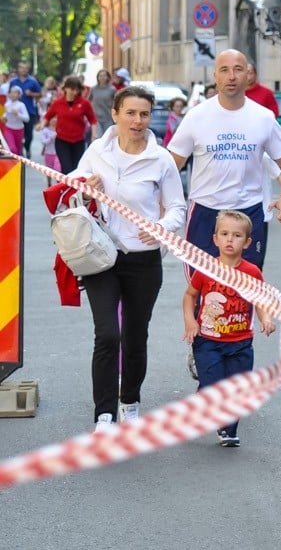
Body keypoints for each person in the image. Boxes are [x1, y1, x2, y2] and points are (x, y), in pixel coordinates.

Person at [70, 85, 187, 431]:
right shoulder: (96, 151)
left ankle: (129, 400)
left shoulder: (161, 159)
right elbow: (73, 185)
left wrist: (162, 227)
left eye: (144, 114)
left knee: (135, 336)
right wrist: (85, 185)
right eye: (131, 113)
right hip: (102, 256)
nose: (137, 121)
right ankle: (103, 412)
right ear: (116, 115)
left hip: (144, 261)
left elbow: (178, 207)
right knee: (107, 334)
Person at [166, 49, 281, 271]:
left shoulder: (263, 118)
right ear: (215, 76)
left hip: (248, 213)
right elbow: (171, 168)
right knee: (202, 290)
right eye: (224, 70)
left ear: (248, 75)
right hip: (205, 212)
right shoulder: (196, 116)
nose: (231, 77)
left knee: (247, 289)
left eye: (238, 70)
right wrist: (163, 208)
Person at [182, 210, 275, 447]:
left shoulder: (252, 272)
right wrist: (190, 321)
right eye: (224, 234)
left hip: (241, 341)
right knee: (214, 384)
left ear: (247, 242)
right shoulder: (205, 269)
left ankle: (228, 429)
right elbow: (190, 296)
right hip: (208, 340)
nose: (229, 240)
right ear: (215, 239)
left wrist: (265, 319)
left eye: (236, 235)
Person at [37, 75, 98, 174]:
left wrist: (93, 134)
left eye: (77, 90)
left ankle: (74, 189)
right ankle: (66, 188)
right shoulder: (58, 102)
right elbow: (48, 116)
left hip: (78, 141)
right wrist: (42, 125)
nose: (75, 92)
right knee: (66, 168)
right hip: (62, 141)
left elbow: (92, 119)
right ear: (65, 88)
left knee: (76, 169)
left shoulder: (84, 103)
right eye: (72, 89)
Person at [8, 61, 43, 158]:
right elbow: (9, 94)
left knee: (29, 135)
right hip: (16, 113)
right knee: (18, 133)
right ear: (18, 69)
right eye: (21, 68)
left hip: (29, 111)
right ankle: (20, 151)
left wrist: (31, 94)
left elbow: (40, 94)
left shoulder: (32, 81)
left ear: (28, 69)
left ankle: (27, 147)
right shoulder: (13, 82)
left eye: (25, 68)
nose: (23, 70)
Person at [2, 86, 29, 156]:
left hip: (19, 130)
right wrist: (4, 116)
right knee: (12, 148)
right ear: (9, 94)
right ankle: (13, 163)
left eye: (15, 92)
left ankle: (17, 164)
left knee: (18, 150)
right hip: (9, 129)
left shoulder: (21, 105)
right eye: (11, 92)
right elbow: (7, 114)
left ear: (19, 95)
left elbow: (27, 118)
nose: (13, 94)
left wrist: (18, 114)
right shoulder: (7, 105)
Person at [88, 70, 116, 136]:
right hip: (96, 119)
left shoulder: (112, 89)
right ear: (97, 77)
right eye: (100, 76)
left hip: (108, 118)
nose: (102, 77)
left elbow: (116, 102)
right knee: (98, 138)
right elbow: (88, 101)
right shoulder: (93, 89)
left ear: (108, 77)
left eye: (104, 76)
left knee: (107, 138)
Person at [38, 119, 60, 186]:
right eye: (52, 119)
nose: (54, 120)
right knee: (49, 170)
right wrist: (51, 138)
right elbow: (43, 141)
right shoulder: (45, 130)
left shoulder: (60, 129)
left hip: (58, 153)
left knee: (58, 169)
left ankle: (59, 185)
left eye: (55, 118)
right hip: (49, 153)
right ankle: (49, 183)